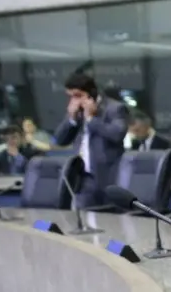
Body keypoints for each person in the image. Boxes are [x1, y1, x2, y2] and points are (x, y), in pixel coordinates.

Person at [52, 71, 127, 209]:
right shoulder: (76, 111)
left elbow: (117, 134)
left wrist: (92, 119)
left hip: (107, 176)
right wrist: (72, 119)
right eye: (71, 96)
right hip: (82, 178)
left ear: (91, 93)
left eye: (78, 95)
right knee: (84, 216)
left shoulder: (115, 108)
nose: (74, 101)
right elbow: (60, 140)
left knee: (111, 218)